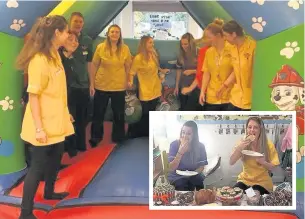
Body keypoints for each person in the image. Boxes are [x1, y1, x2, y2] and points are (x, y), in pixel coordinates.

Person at [15, 15, 74, 219]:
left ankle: (49, 191)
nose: (68, 35)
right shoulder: (39, 60)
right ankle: (25, 212)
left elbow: (57, 90)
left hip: (56, 120)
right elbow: (34, 97)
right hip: (41, 123)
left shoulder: (55, 55)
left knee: (57, 155)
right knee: (37, 166)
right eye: (66, 31)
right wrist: (39, 128)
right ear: (57, 33)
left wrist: (66, 113)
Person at [89, 24, 132, 146]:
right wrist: (92, 84)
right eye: (112, 32)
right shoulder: (100, 47)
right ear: (108, 34)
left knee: (118, 114)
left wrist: (129, 80)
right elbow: (94, 66)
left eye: (117, 32)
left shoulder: (125, 49)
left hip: (119, 86)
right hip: (101, 85)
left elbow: (128, 66)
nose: (114, 34)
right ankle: (96, 137)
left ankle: (118, 137)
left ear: (120, 35)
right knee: (98, 113)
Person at [128, 35, 168, 137]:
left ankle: (148, 134)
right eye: (150, 42)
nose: (152, 44)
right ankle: (139, 134)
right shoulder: (138, 58)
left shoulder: (153, 55)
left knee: (152, 112)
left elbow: (157, 68)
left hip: (155, 88)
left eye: (152, 42)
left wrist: (163, 71)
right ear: (144, 44)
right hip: (145, 90)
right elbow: (132, 72)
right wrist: (130, 82)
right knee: (144, 113)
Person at [229, 117, 280, 195]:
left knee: (253, 195)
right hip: (244, 180)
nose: (252, 130)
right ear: (246, 129)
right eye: (249, 127)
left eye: (255, 127)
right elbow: (231, 162)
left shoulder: (268, 144)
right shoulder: (241, 142)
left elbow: (273, 167)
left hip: (262, 182)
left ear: (260, 130)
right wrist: (239, 148)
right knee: (234, 194)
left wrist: (263, 162)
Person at [68, 12, 93, 151]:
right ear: (70, 22)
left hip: (83, 84)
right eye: (75, 21)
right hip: (69, 85)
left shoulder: (87, 40)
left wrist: (92, 84)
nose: (78, 24)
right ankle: (70, 147)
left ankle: (81, 145)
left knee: (83, 117)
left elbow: (89, 63)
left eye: (80, 22)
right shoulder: (64, 37)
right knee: (70, 117)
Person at [199, 19, 234, 111]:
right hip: (212, 97)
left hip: (229, 96)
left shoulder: (232, 49)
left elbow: (236, 71)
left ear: (218, 36)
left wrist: (225, 86)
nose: (206, 40)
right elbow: (206, 73)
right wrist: (202, 92)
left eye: (208, 37)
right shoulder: (209, 52)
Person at [222, 20, 256, 111]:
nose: (224, 38)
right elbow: (236, 70)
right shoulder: (231, 48)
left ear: (233, 34)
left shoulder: (253, 46)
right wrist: (225, 85)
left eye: (225, 35)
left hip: (251, 98)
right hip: (236, 97)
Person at [167, 121, 208, 191]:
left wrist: (191, 174)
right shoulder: (174, 145)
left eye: (189, 133)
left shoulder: (200, 146)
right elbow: (171, 168)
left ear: (194, 135)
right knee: (182, 184)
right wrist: (180, 152)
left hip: (194, 174)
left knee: (198, 182)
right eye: (183, 132)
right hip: (176, 176)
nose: (185, 136)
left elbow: (201, 167)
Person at [59, 31, 79, 157]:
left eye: (76, 40)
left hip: (67, 97)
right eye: (70, 39)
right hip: (59, 100)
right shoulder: (59, 57)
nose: (74, 42)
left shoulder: (70, 59)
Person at [174, 33, 201, 111]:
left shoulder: (198, 52)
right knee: (183, 108)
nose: (183, 46)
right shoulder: (181, 55)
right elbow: (178, 70)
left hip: (196, 85)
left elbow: (204, 71)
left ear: (191, 43)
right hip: (184, 84)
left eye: (186, 44)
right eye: (182, 44)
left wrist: (193, 71)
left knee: (191, 108)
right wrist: (176, 86)